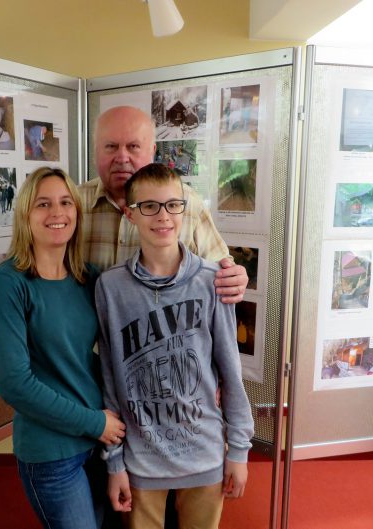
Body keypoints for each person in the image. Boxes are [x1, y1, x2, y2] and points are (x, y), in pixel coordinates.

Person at [95, 164, 254, 529]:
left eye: (172, 205)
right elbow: (110, 377)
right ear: (130, 214)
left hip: (204, 453)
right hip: (142, 459)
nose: (163, 216)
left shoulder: (212, 280)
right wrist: (114, 461)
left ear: (185, 209)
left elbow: (231, 371)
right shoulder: (110, 288)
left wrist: (239, 450)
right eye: (149, 206)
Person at [0, 167, 126, 529]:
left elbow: (100, 355)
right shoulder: (7, 286)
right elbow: (15, 385)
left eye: (65, 203)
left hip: (99, 442)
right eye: (43, 204)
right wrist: (95, 423)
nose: (57, 213)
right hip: (52, 452)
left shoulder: (88, 277)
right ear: (25, 215)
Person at [79, 105, 247, 303]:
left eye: (133, 146)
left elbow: (222, 267)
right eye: (111, 146)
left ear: (152, 151)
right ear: (95, 152)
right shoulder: (71, 204)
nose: (122, 158)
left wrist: (234, 277)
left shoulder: (188, 203)